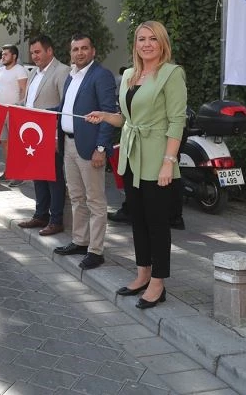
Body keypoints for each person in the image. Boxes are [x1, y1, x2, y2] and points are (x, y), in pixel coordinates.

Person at [86, 21, 187, 308]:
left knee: (157, 222)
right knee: (138, 219)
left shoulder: (171, 74)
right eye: (141, 39)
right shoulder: (130, 74)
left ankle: (158, 282)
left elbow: (177, 121)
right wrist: (106, 116)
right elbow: (128, 119)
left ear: (162, 43)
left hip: (157, 158)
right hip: (131, 156)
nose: (146, 44)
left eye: (152, 39)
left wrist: (169, 162)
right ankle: (142, 273)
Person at [53, 33, 117, 270]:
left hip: (90, 148)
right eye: (75, 49)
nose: (79, 53)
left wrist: (101, 148)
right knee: (77, 197)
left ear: (93, 51)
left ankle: (96, 250)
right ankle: (80, 241)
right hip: (69, 144)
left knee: (95, 201)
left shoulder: (102, 76)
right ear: (70, 53)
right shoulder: (71, 76)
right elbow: (64, 109)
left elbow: (109, 114)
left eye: (84, 48)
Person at [16, 34, 70, 233]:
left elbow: (66, 105)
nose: (34, 56)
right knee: (37, 175)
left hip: (51, 134)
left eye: (38, 52)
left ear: (50, 51)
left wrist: (57, 136)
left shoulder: (62, 71)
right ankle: (40, 216)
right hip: (33, 134)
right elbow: (28, 102)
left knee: (53, 178)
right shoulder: (33, 73)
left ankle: (56, 220)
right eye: (32, 53)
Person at [0, 44, 29, 184]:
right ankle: (9, 171)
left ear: (14, 56)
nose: (3, 56)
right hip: (1, 111)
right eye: (3, 54)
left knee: (16, 144)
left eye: (6, 54)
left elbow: (24, 90)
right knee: (5, 143)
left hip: (14, 112)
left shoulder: (20, 70)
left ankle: (19, 174)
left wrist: (19, 105)